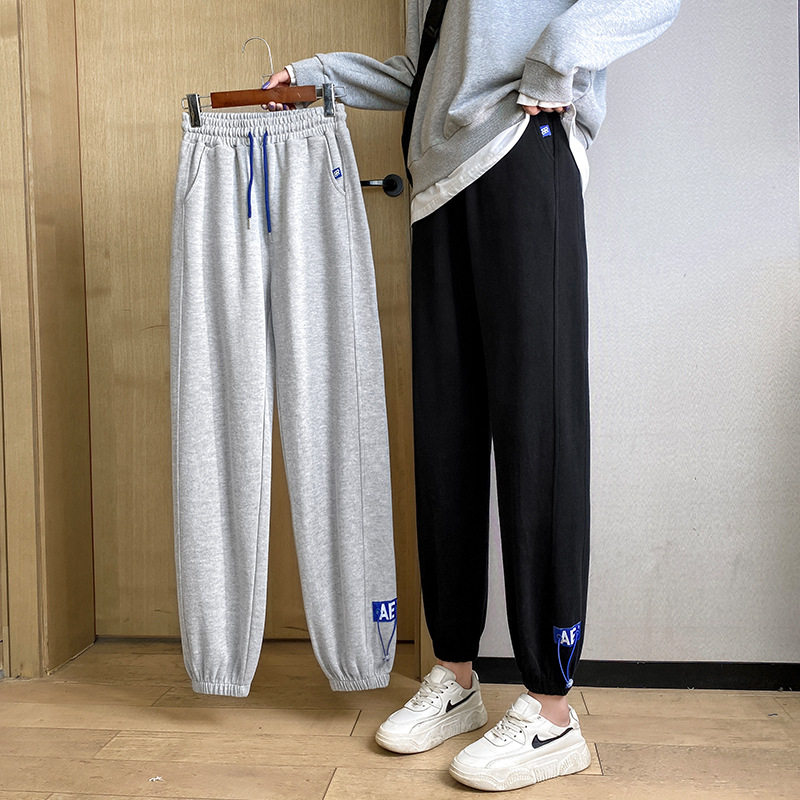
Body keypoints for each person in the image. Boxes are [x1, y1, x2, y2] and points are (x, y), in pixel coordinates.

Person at [264, 0, 681, 791]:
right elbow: (435, 71)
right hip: (438, 187)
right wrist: (318, 77)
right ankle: (455, 674)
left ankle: (551, 710)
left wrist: (557, 59)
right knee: (445, 435)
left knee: (538, 429)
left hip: (523, 150)